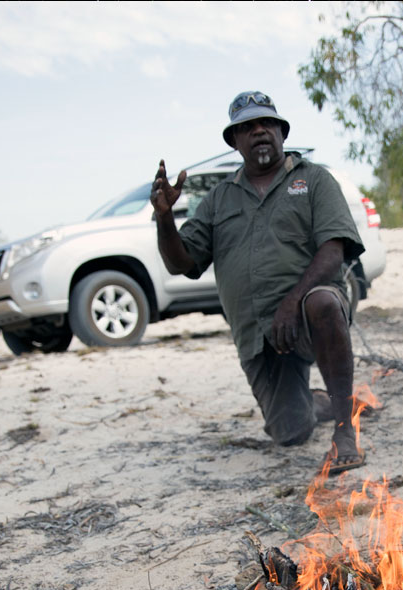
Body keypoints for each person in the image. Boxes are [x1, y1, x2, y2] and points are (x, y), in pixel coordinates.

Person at [151, 91, 367, 475]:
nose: (259, 131)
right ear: (234, 141)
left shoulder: (313, 180)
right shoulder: (219, 199)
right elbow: (182, 263)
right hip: (257, 334)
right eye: (247, 127)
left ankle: (344, 427)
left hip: (305, 313)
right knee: (290, 432)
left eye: (267, 123)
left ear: (282, 132)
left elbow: (334, 251)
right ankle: (317, 402)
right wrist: (165, 219)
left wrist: (291, 301)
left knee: (323, 303)